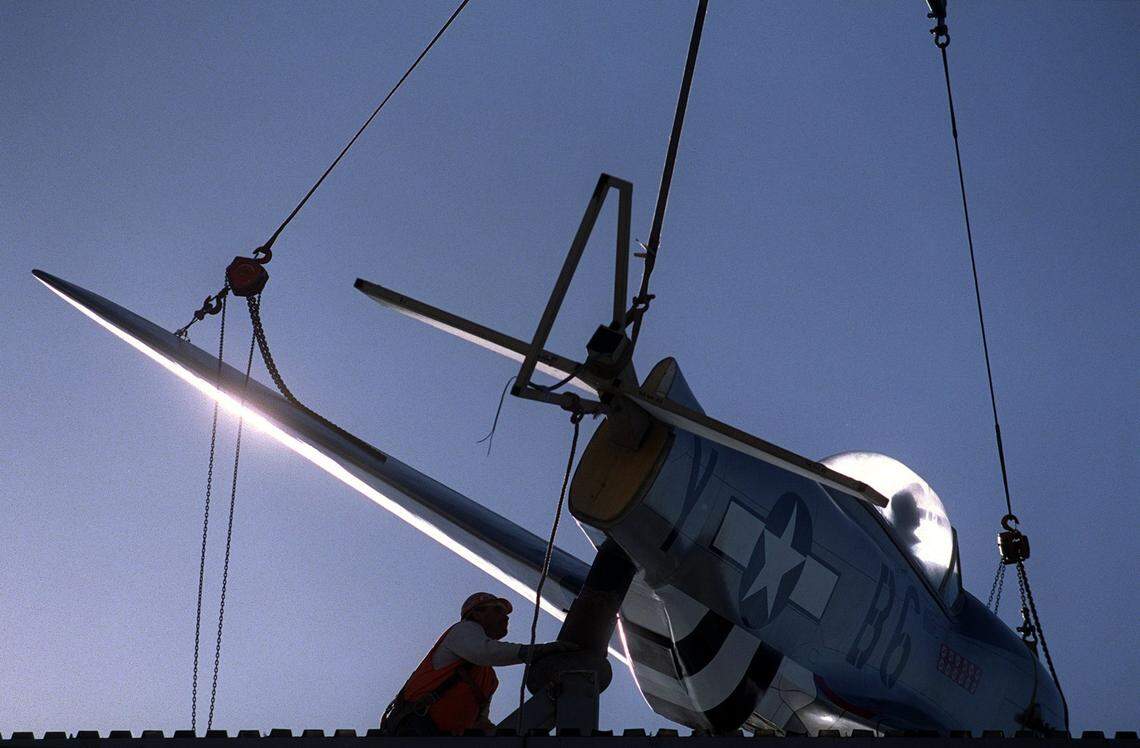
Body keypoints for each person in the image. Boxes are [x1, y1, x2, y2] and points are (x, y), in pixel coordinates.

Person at [381, 592, 575, 736]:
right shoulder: (463, 631)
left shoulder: (488, 678)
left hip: (441, 738)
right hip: (414, 730)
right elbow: (485, 651)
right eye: (497, 610)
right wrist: (538, 651)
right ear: (476, 614)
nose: (505, 617)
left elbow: (479, 722)